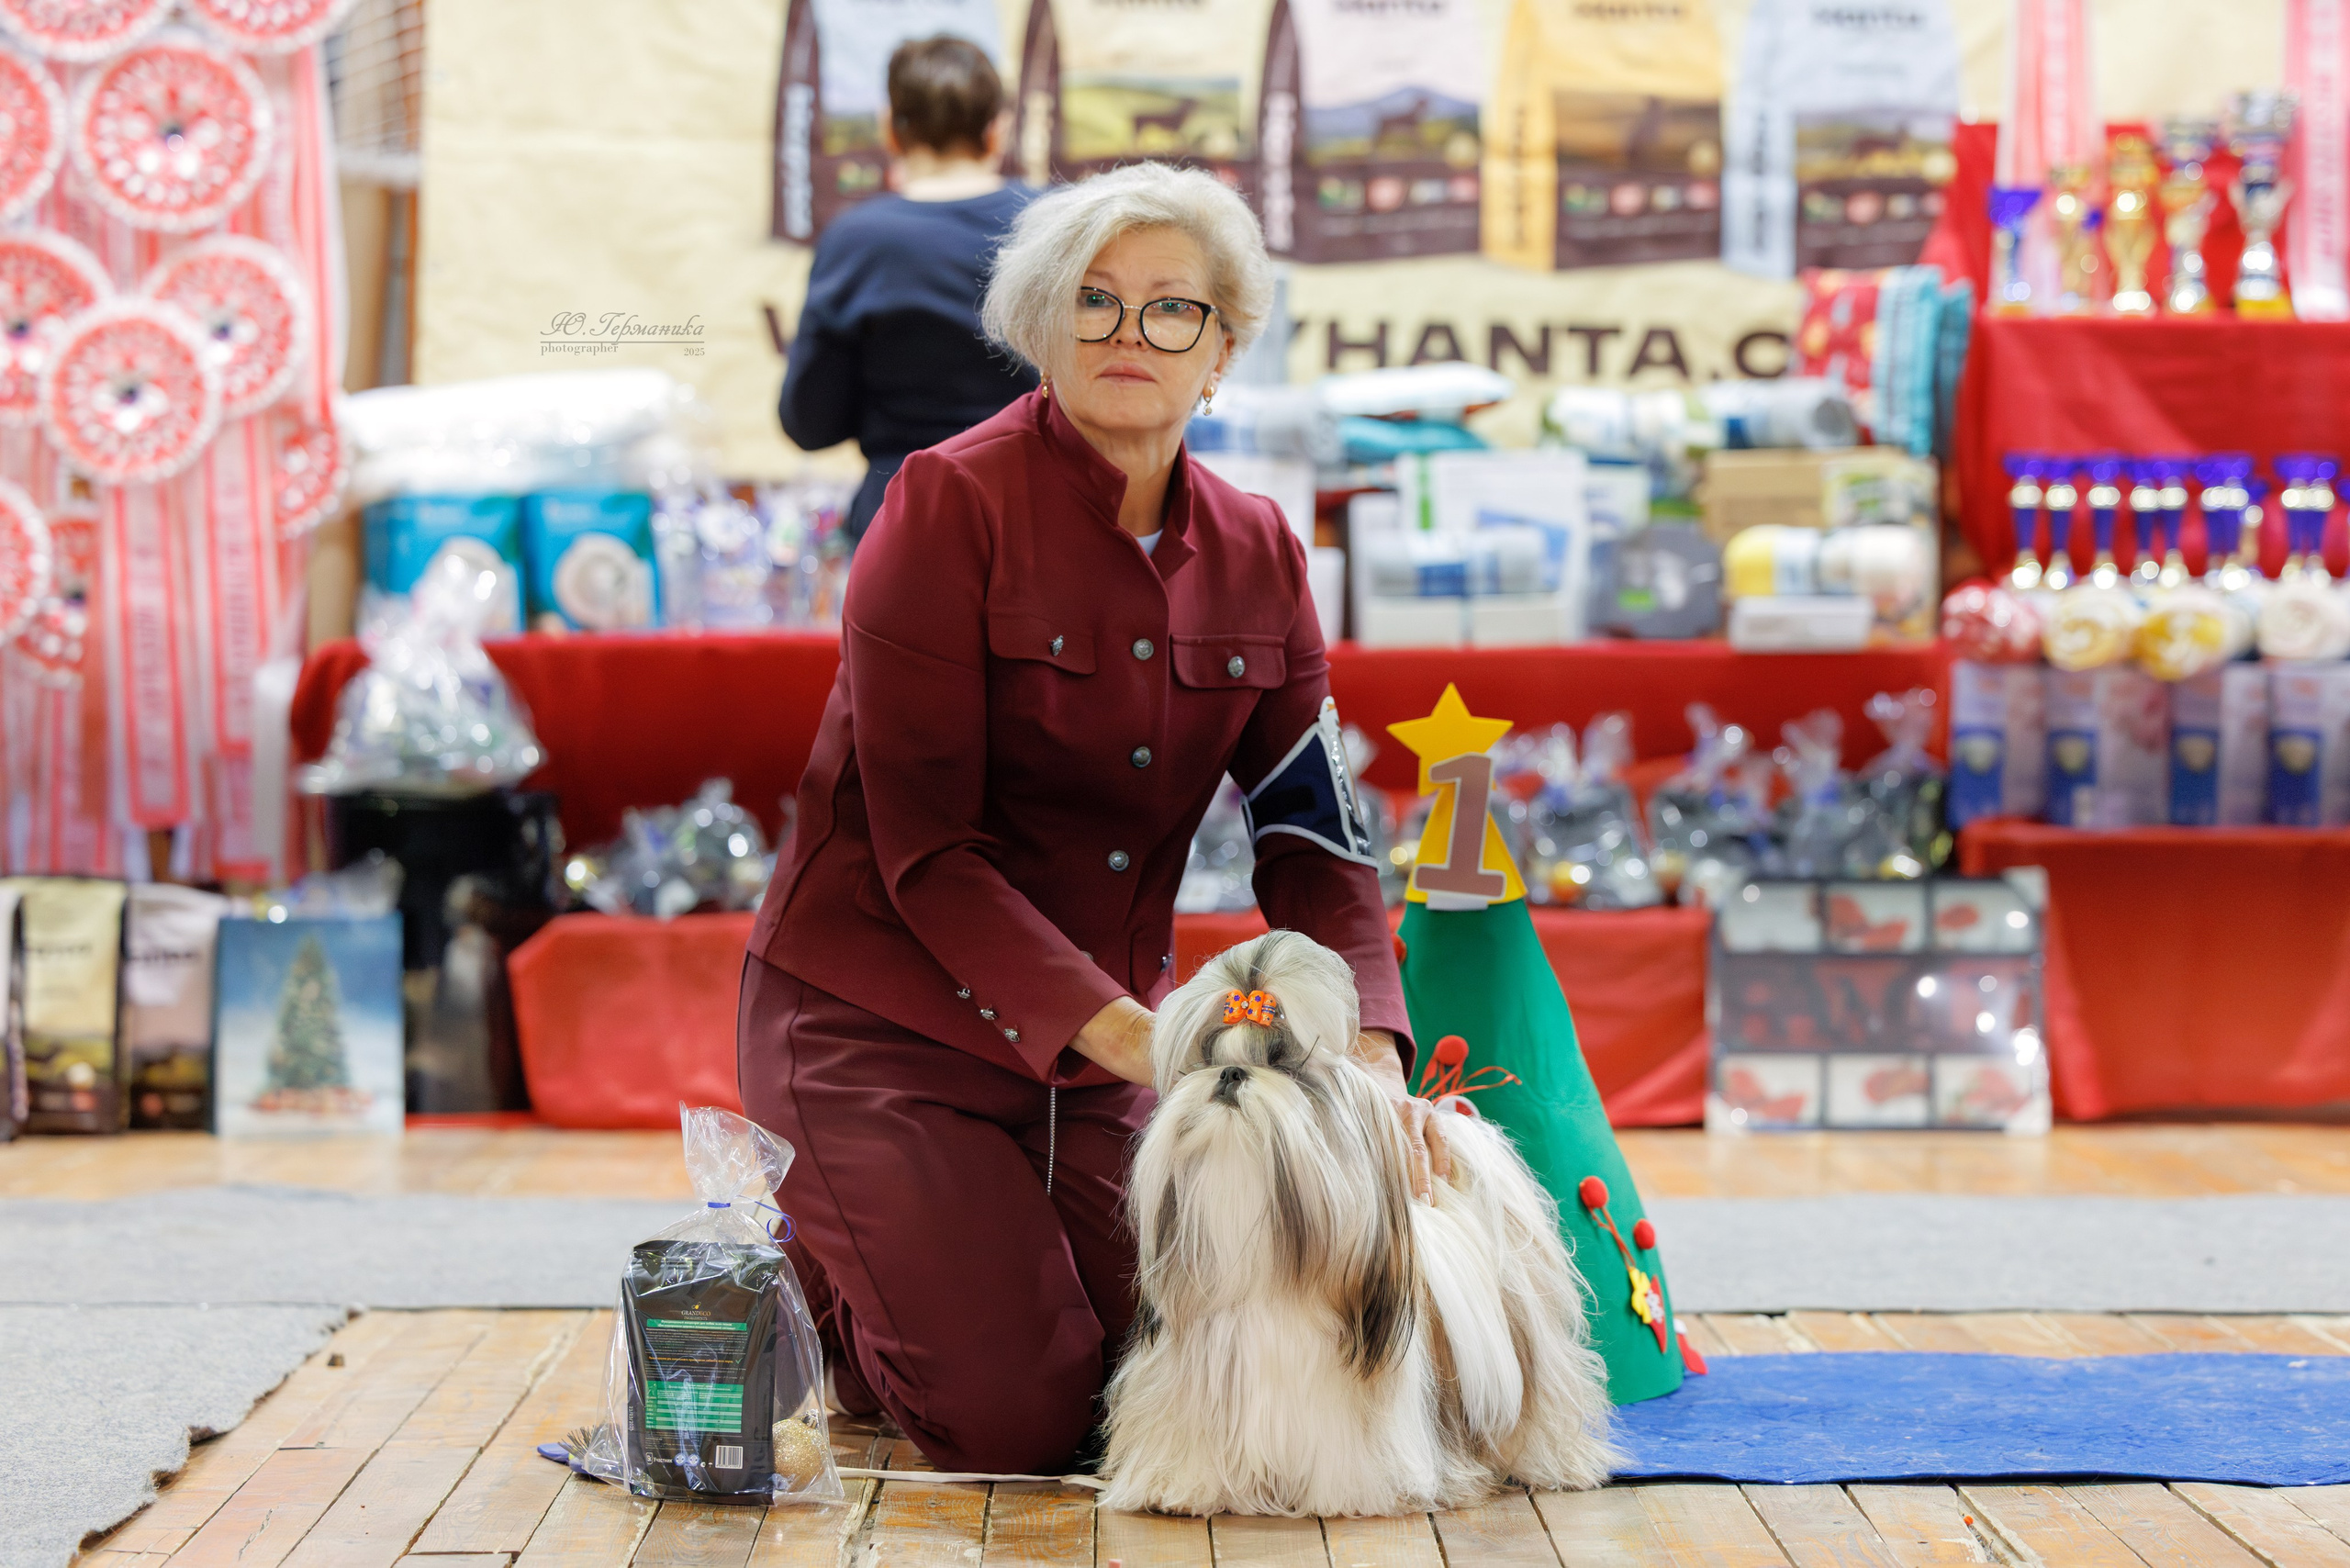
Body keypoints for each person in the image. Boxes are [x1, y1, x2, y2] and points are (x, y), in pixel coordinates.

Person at [738, 162, 1451, 1475]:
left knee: (1183, 1357)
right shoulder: (942, 508)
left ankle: (914, 1267)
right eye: (1097, 303)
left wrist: (1372, 1054)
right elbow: (928, 856)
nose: (1132, 336)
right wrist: (1157, 1042)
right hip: (873, 1036)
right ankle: (834, 1284)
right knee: (1025, 1421)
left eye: (1173, 310)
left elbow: (1312, 833)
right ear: (1041, 328)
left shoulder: (1264, 551)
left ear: (1223, 349)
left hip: (1104, 1074)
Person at [778, 36, 1037, 543]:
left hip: (899, 525)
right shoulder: (1053, 226)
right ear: (996, 130)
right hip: (1038, 520)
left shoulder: (857, 242)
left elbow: (809, 422)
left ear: (891, 129)